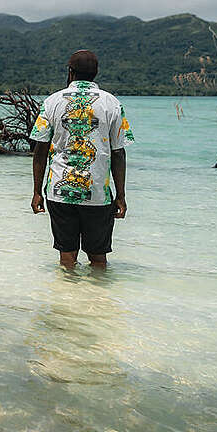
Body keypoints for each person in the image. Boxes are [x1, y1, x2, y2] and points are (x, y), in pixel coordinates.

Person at [30, 50, 133, 269]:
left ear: (70, 72)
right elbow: (118, 153)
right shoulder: (112, 103)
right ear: (96, 73)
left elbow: (40, 150)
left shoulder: (52, 102)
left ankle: (65, 301)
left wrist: (37, 191)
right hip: (97, 194)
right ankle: (98, 301)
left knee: (67, 259)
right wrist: (121, 195)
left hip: (59, 192)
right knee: (98, 259)